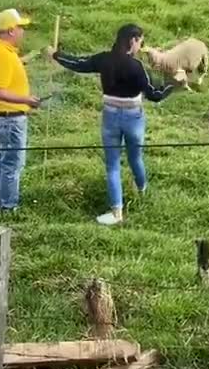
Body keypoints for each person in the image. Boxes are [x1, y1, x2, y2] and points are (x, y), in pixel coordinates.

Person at [47, 24, 176, 226]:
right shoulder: (136, 67)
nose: (140, 46)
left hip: (110, 116)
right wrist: (173, 83)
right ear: (133, 40)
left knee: (112, 166)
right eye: (140, 41)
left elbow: (79, 64)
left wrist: (57, 55)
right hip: (133, 117)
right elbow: (155, 95)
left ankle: (116, 213)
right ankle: (142, 191)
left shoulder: (103, 59)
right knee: (135, 158)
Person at [0, 9, 40, 212]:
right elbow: (0, 92)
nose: (23, 31)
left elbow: (0, 67)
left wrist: (23, 60)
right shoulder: (4, 56)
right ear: (11, 30)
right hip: (8, 119)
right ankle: (7, 206)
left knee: (0, 158)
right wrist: (27, 100)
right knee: (12, 163)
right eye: (21, 27)